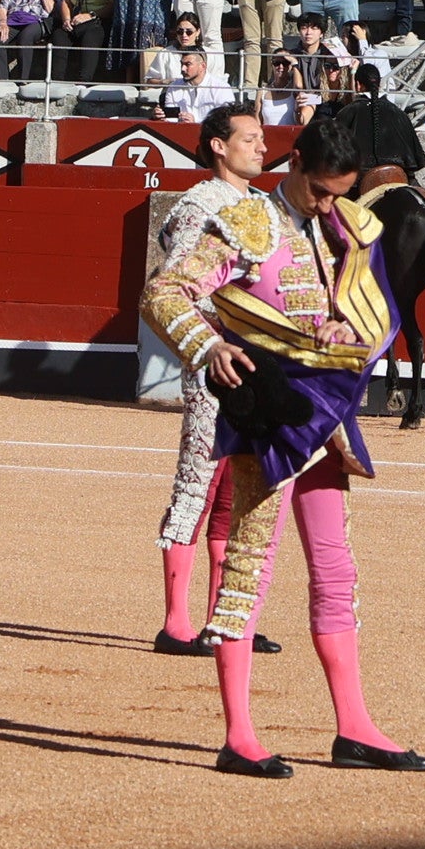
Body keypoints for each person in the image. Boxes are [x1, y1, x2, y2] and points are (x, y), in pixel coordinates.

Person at [139, 102, 425, 778]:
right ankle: (239, 734)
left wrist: (339, 330)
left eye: (342, 191)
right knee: (247, 567)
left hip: (324, 417)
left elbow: (357, 309)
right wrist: (206, 344)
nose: (331, 203)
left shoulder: (347, 224)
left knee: (336, 569)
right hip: (268, 414)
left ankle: (354, 726)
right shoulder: (245, 222)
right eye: (321, 189)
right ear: (294, 163)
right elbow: (165, 293)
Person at [148, 102, 275, 653]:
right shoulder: (199, 206)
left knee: (238, 493)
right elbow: (177, 285)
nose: (262, 147)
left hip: (261, 367)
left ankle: (224, 620)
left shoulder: (266, 209)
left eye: (262, 138)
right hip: (214, 363)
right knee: (197, 486)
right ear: (219, 146)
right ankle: (176, 624)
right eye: (249, 138)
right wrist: (206, 346)